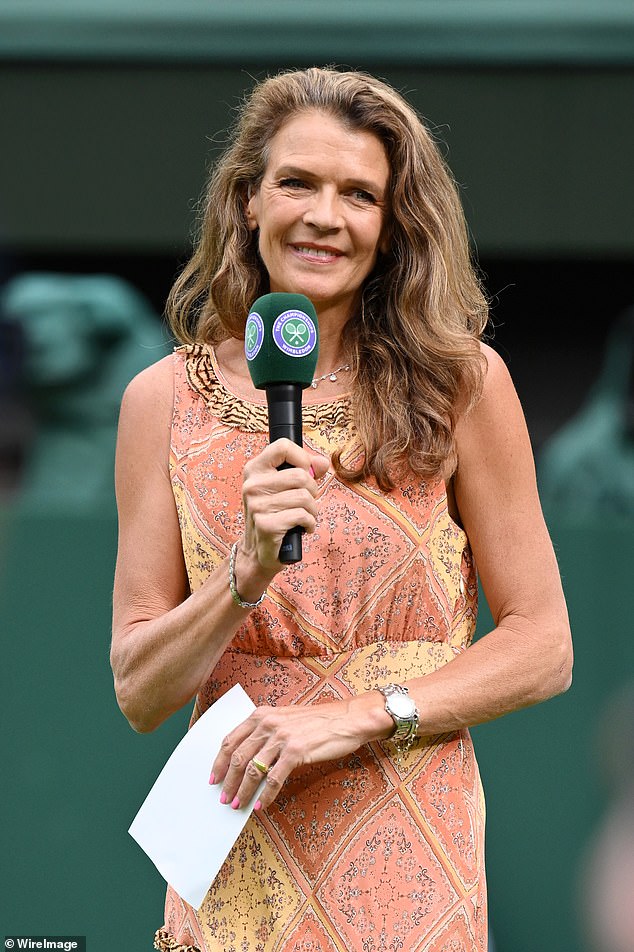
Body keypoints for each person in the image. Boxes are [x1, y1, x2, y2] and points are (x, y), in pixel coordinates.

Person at [110, 67, 573, 952]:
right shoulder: (160, 400)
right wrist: (239, 580)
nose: (326, 216)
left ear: (392, 224)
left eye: (360, 194)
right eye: (298, 183)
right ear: (248, 199)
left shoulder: (461, 384)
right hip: (236, 844)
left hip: (410, 850)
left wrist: (359, 713)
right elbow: (139, 690)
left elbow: (544, 644)